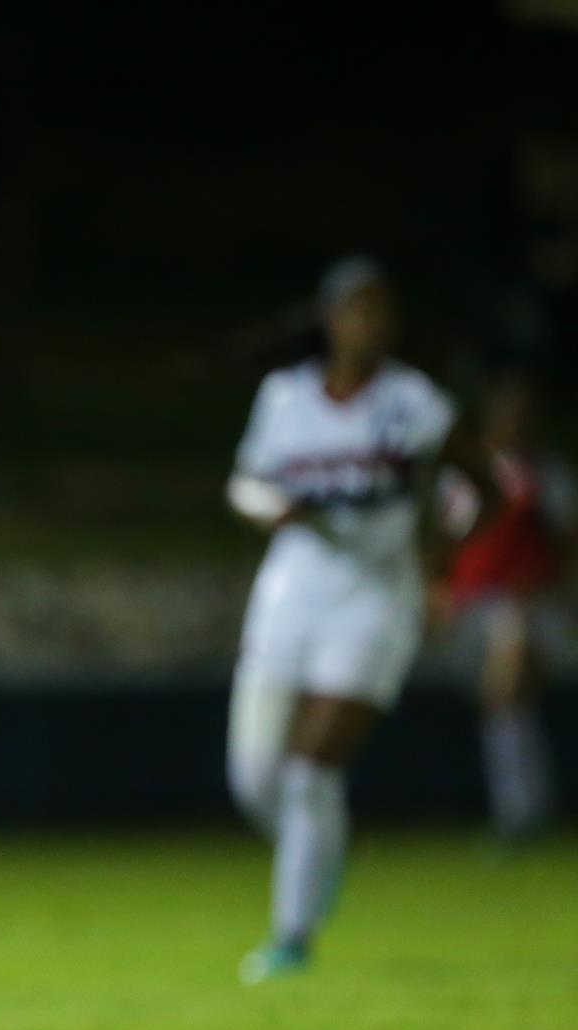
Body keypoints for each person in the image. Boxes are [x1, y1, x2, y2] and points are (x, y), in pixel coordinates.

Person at [223, 256, 495, 984]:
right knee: (254, 777)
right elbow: (246, 482)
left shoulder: (414, 402)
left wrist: (440, 559)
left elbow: (486, 487)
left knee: (312, 770)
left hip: (377, 594)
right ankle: (321, 858)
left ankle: (291, 934)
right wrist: (270, 508)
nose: (368, 324)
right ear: (329, 318)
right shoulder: (284, 397)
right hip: (291, 589)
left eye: (381, 310)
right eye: (355, 309)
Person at [435, 369, 572, 840]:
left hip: (528, 605)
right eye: (506, 415)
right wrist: (440, 597)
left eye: (523, 416)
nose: (515, 424)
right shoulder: (463, 477)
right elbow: (447, 546)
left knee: (508, 691)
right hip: (471, 607)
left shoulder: (546, 475)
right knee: (504, 707)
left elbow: (568, 546)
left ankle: (521, 811)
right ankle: (524, 805)